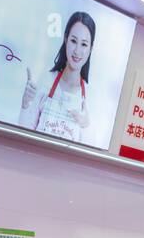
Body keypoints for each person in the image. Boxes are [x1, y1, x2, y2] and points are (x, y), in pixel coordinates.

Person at [19, 11, 94, 142]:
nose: (77, 50)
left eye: (84, 44)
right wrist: (26, 104)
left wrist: (86, 125)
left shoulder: (91, 97)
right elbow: (24, 133)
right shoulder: (45, 81)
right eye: (73, 41)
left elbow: (91, 151)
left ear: (90, 49)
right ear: (65, 40)